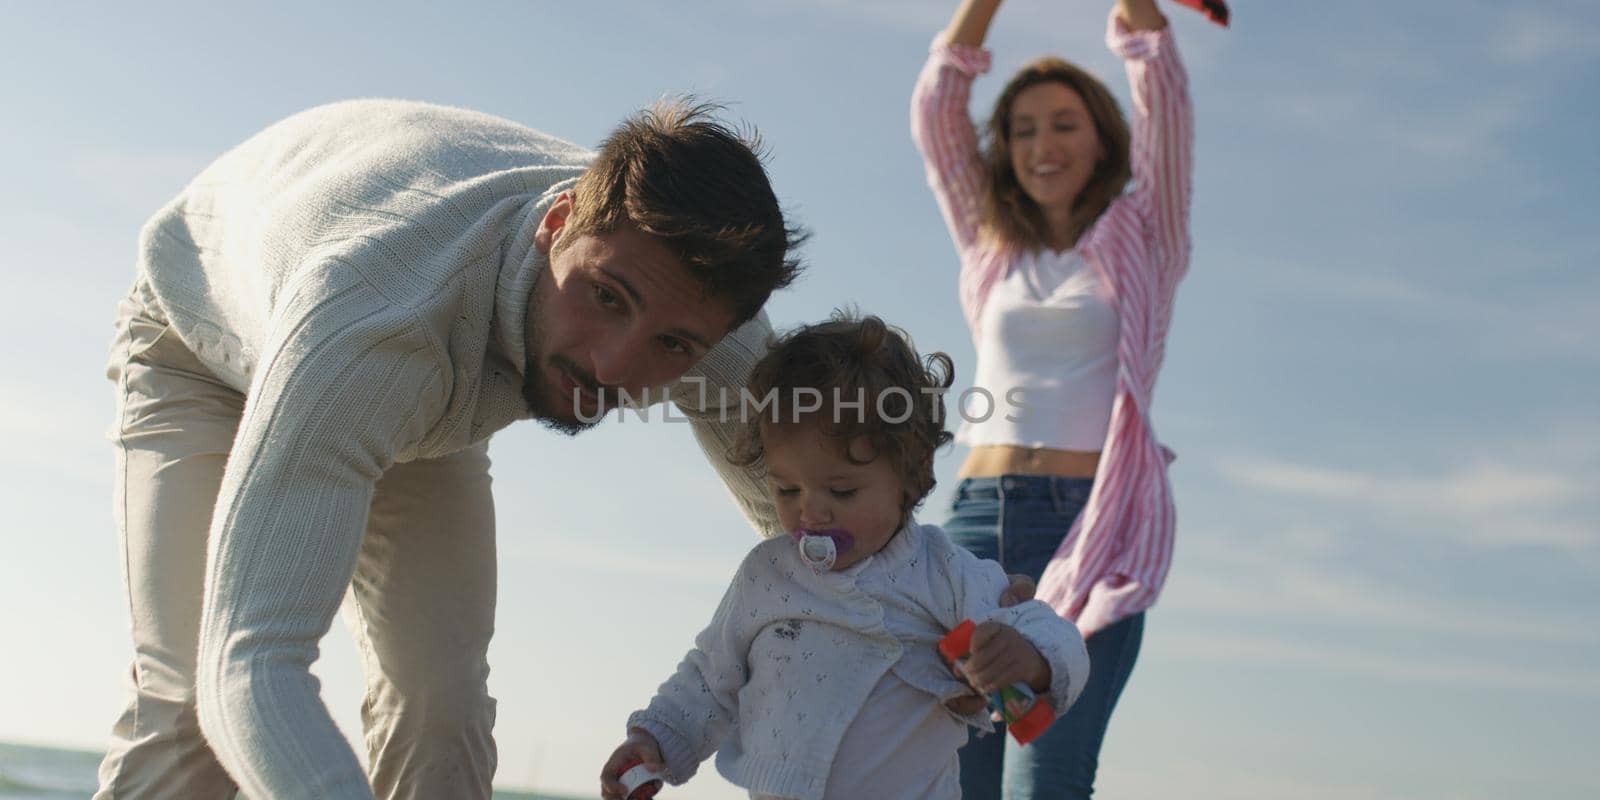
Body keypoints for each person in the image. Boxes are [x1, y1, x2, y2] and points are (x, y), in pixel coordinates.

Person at [95, 97, 807, 800]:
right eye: (605, 297)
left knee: (442, 709)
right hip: (207, 338)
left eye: (672, 345)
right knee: (193, 704)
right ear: (557, 224)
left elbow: (831, 550)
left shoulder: (714, 329)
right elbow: (250, 666)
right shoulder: (377, 322)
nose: (613, 367)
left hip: (421, 387)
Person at [598, 314, 1091, 800]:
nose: (810, 511)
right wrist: (654, 740)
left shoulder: (943, 572)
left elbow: (1052, 633)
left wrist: (1030, 658)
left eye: (843, 490)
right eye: (787, 489)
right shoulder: (766, 575)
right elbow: (709, 679)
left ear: (911, 470)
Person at [910, 0, 1198, 796]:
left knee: (1052, 775)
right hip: (972, 522)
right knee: (956, 773)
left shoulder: (1149, 233)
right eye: (1025, 128)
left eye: (1065, 123)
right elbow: (937, 109)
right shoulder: (989, 245)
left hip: (1089, 527)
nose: (1043, 145)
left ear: (1103, 135)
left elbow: (1165, 94)